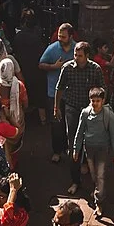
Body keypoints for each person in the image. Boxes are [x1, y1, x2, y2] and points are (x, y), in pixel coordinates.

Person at [55, 41, 104, 195]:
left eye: (80, 55)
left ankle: (94, 181)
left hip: (90, 111)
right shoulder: (67, 68)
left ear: (87, 56)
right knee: (73, 144)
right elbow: (60, 88)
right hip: (72, 108)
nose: (76, 58)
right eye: (75, 54)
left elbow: (102, 90)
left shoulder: (95, 69)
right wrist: (56, 107)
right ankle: (75, 181)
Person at [72, 87, 114, 218]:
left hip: (103, 149)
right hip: (89, 148)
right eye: (93, 101)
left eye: (98, 101)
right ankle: (97, 190)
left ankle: (99, 202)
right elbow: (79, 132)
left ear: (103, 101)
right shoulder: (85, 113)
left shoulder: (108, 114)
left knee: (100, 175)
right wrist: (76, 149)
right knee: (93, 173)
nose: (95, 103)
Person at [39, 24, 76, 163]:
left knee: (72, 122)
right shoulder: (52, 48)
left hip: (72, 92)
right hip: (54, 93)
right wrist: (53, 67)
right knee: (56, 124)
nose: (60, 39)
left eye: (63, 36)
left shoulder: (77, 49)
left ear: (71, 36)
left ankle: (71, 149)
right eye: (59, 36)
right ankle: (57, 151)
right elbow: (41, 64)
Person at [0, 58, 28, 166]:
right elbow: (25, 103)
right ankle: (11, 162)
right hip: (16, 118)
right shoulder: (19, 86)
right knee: (13, 139)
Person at [12, 9, 48, 125]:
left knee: (24, 95)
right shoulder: (37, 38)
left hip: (23, 69)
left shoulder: (18, 37)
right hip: (36, 70)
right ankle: (43, 120)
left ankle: (24, 121)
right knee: (39, 97)